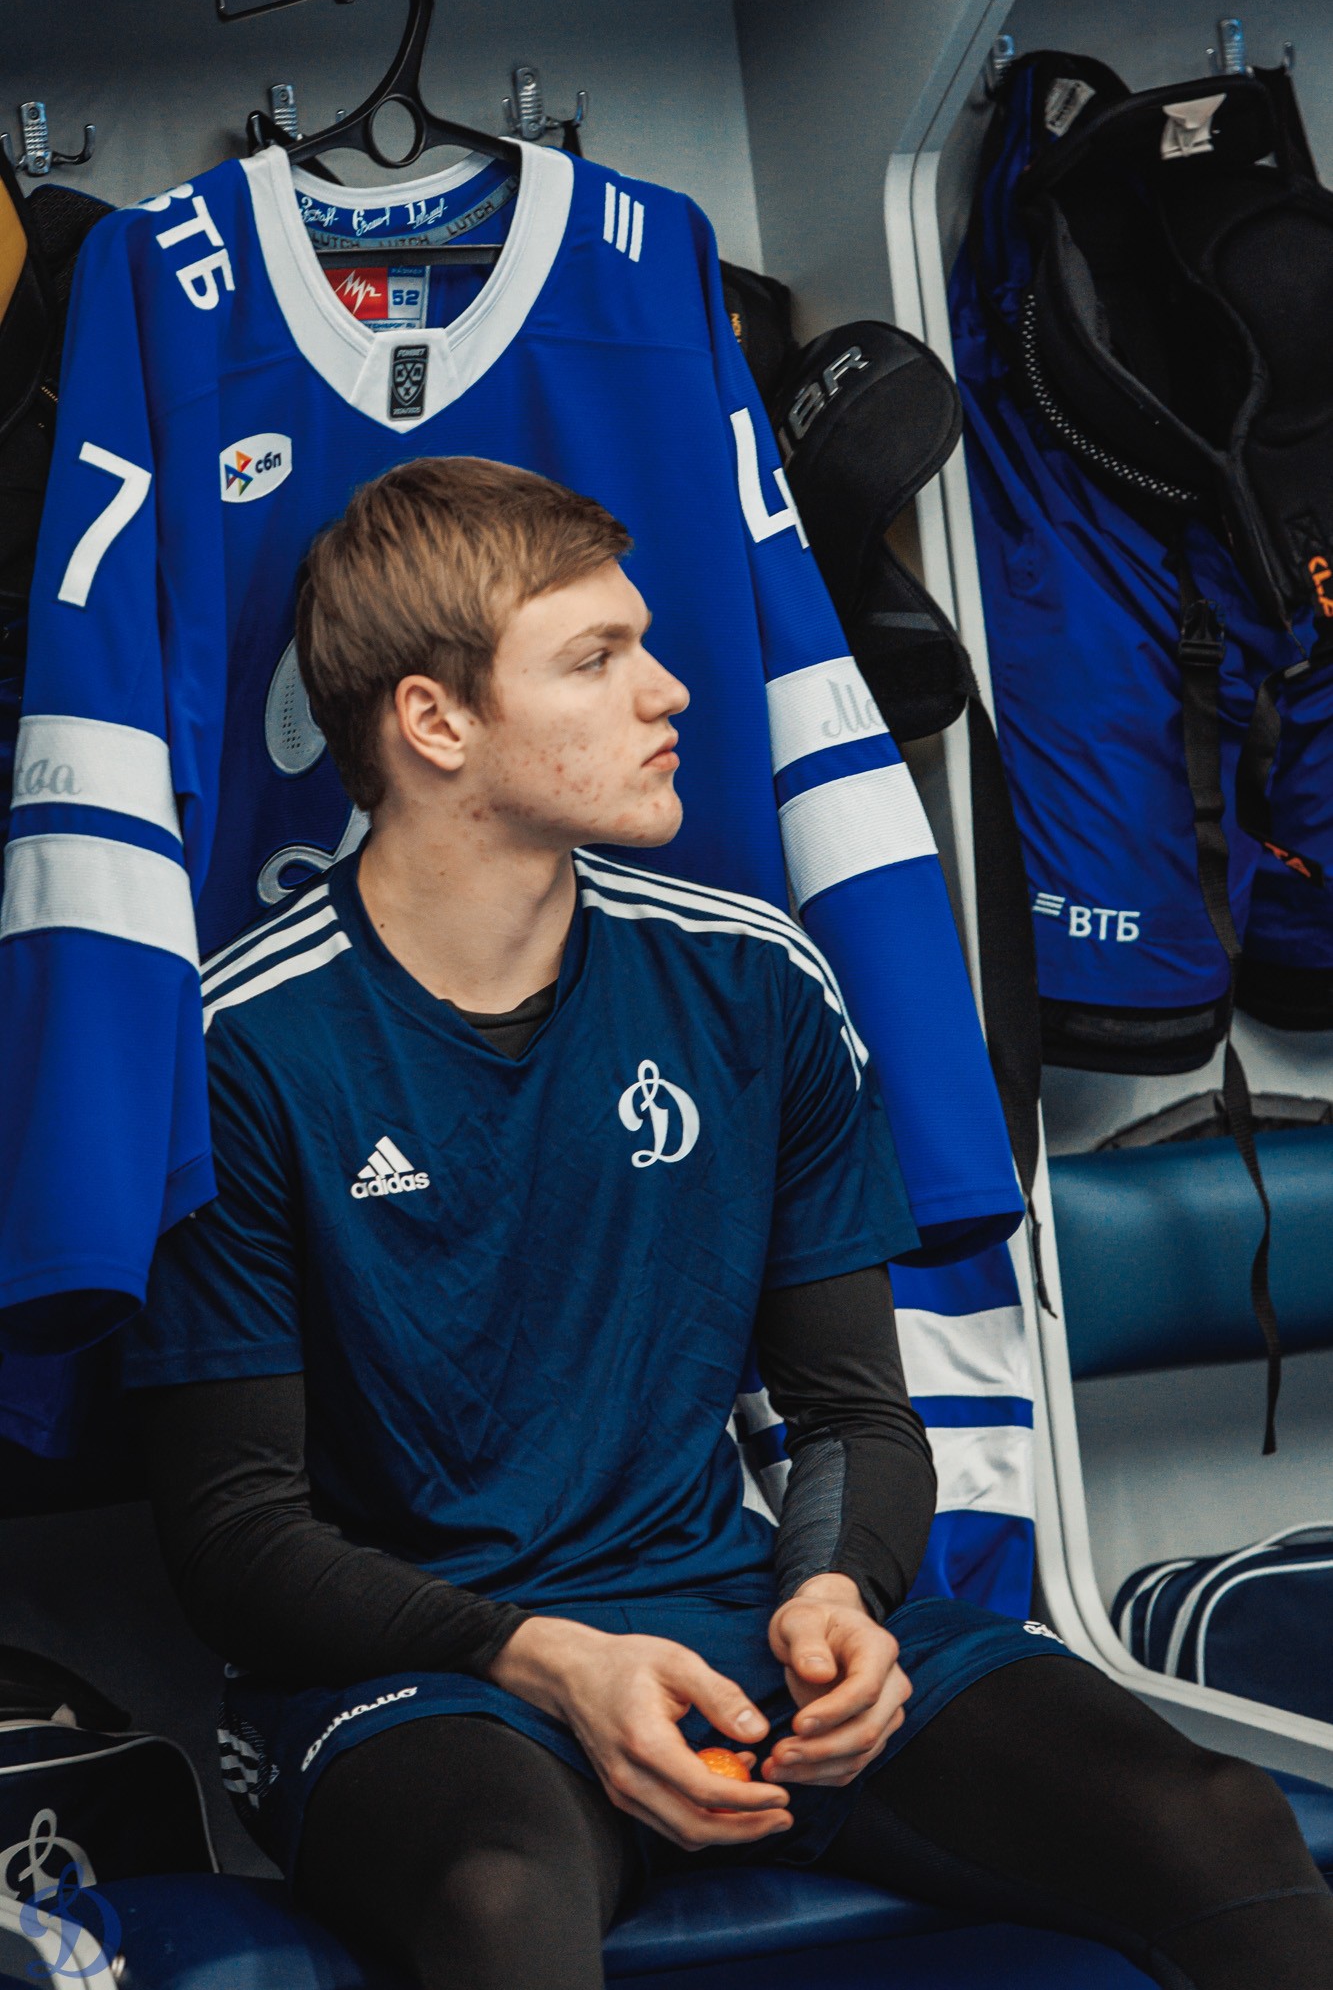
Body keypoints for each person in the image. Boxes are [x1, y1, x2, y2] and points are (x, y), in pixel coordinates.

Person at [124, 457, 1333, 1990]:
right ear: (434, 722)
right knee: (498, 1905)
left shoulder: (749, 979)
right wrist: (541, 1656)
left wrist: (833, 1594)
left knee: (1213, 1820)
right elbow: (235, 1535)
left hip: (732, 1606)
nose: (669, 691)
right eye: (596, 659)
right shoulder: (239, 1048)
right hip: (432, 1672)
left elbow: (850, 1412)